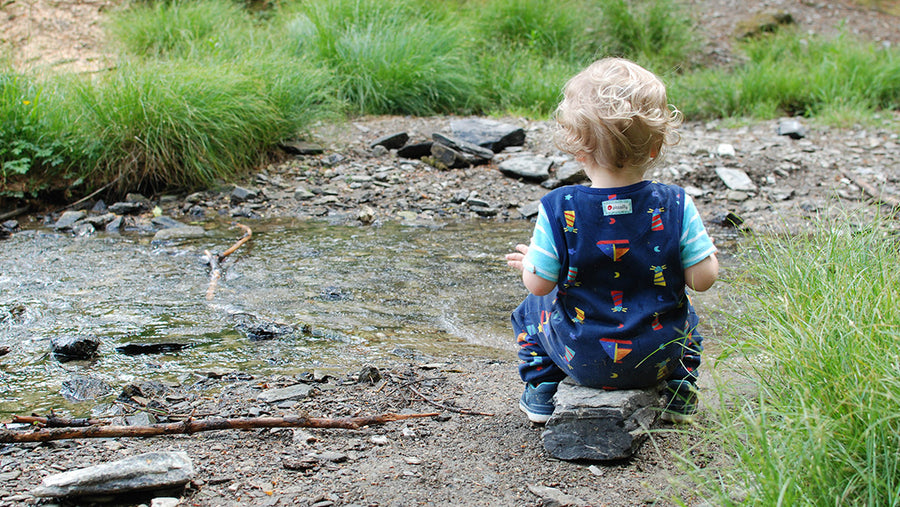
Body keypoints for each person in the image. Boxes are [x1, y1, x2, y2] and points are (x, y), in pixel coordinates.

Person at [505, 57, 718, 425]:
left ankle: (541, 389)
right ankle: (681, 391)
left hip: (583, 357)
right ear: (654, 148)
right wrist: (701, 252)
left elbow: (540, 285)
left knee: (529, 309)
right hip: (656, 358)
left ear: (579, 151)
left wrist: (531, 266)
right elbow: (703, 281)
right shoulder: (676, 204)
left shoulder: (560, 206)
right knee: (688, 316)